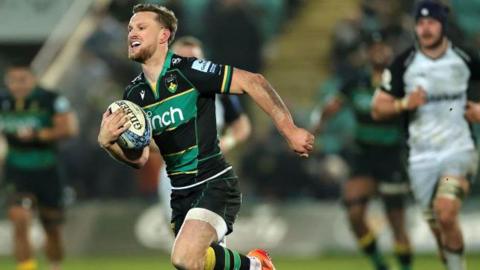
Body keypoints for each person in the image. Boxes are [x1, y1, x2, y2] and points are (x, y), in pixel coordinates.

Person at [97, 4, 313, 270]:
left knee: (183, 258)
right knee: (197, 264)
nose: (132, 33)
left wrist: (289, 130)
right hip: (179, 194)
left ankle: (256, 266)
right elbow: (140, 158)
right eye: (130, 28)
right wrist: (109, 143)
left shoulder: (189, 71)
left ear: (164, 36)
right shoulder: (133, 94)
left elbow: (252, 81)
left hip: (213, 183)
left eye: (141, 27)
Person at [371, 1, 480, 269]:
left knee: (446, 212)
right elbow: (377, 108)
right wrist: (403, 104)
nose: (426, 28)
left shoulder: (465, 58)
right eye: (420, 23)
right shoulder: (403, 63)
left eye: (431, 22)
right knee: (440, 231)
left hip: (458, 149)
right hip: (420, 157)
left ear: (442, 25)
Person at [312, 33, 412, 270]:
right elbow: (332, 106)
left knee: (396, 221)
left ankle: (406, 267)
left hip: (391, 156)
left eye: (383, 48)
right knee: (354, 212)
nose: (379, 52)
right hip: (364, 155)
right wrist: (316, 128)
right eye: (374, 48)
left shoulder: (400, 83)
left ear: (390, 52)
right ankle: (379, 264)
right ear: (367, 53)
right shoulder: (355, 81)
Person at [158, 36, 252, 222]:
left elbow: (242, 126)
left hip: (210, 167)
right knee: (179, 236)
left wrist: (226, 142)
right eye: (183, 60)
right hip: (174, 171)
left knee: (208, 231)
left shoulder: (216, 88)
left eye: (195, 60)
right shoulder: (159, 93)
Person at [0, 60, 78, 270]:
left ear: (33, 79)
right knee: (19, 219)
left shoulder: (51, 99)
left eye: (23, 80)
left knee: (52, 228)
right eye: (13, 81)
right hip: (16, 169)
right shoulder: (3, 100)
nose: (18, 85)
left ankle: (55, 265)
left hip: (47, 169)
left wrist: (39, 134)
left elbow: (69, 129)